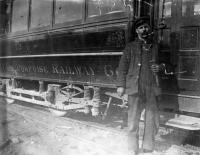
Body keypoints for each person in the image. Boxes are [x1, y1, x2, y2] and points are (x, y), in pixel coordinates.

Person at [116, 17, 161, 155]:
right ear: (137, 31)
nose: (144, 30)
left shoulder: (155, 47)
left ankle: (148, 148)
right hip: (135, 88)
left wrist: (160, 67)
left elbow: (166, 63)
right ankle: (133, 148)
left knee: (151, 119)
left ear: (149, 29)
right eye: (141, 28)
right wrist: (121, 85)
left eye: (146, 27)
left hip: (151, 88)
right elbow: (122, 67)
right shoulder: (130, 47)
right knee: (133, 120)